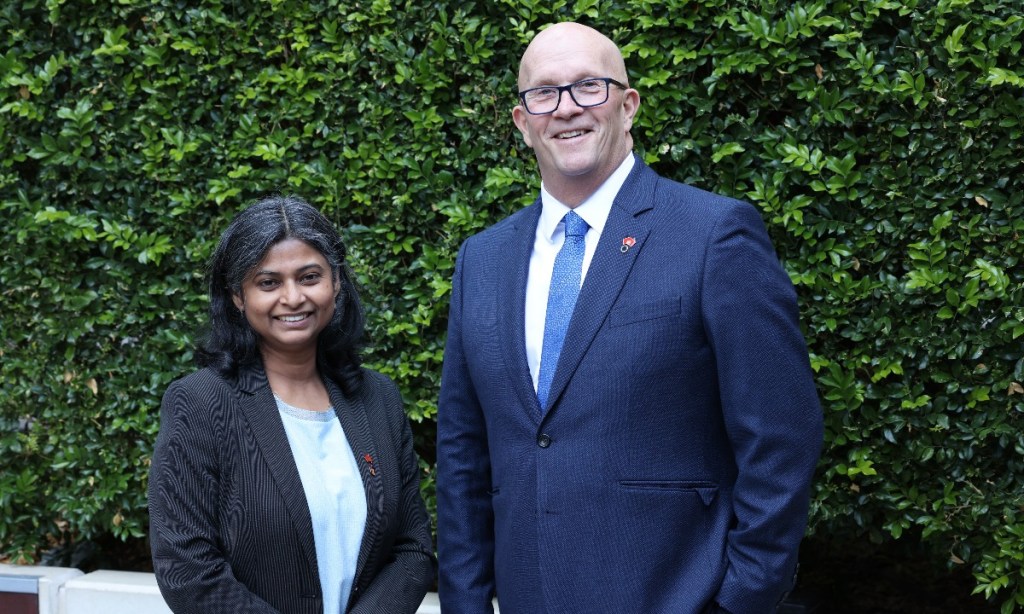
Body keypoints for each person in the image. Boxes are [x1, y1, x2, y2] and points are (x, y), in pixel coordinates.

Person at [436, 22, 824, 614]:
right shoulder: (482, 261)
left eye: (589, 86)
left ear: (628, 104)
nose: (566, 109)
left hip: (674, 596)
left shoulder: (713, 236)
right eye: (544, 93)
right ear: (522, 122)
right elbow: (463, 454)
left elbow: (781, 438)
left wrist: (741, 600)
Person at [149, 195, 435, 614]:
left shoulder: (379, 398)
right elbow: (187, 570)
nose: (292, 297)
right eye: (268, 283)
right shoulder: (200, 403)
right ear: (237, 296)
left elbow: (412, 548)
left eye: (309, 277)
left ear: (335, 282)